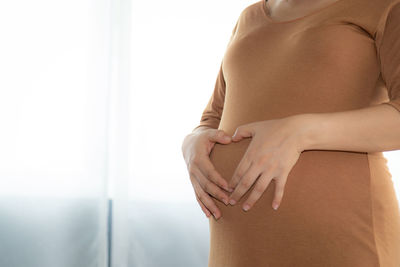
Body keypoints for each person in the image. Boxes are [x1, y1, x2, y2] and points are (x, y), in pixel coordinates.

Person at [181, 0, 400, 265]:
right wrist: (192, 143)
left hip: (342, 241)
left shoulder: (384, 6)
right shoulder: (249, 17)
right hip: (238, 247)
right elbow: (212, 117)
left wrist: (299, 132)